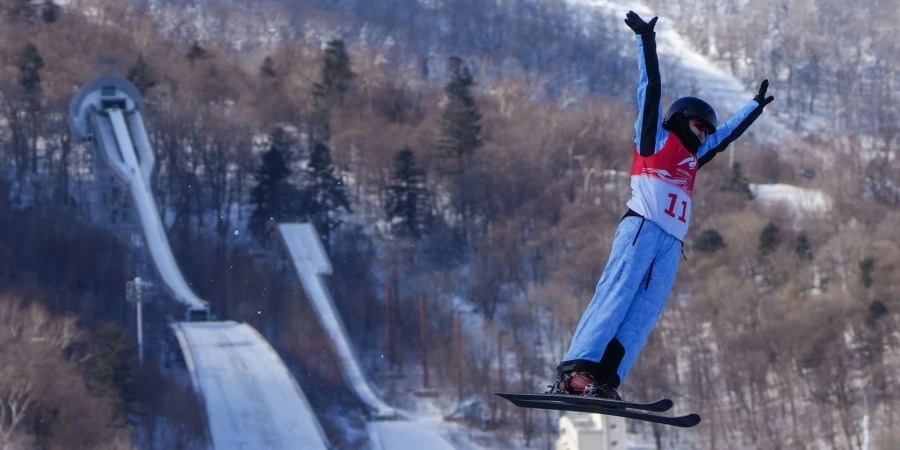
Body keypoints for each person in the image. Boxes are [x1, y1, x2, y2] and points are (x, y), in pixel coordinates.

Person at [549, 10, 775, 400]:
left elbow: (724, 138)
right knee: (617, 293)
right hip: (641, 229)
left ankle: (604, 379)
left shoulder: (693, 159)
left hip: (670, 245)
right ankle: (575, 371)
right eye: (698, 125)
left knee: (644, 313)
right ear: (680, 119)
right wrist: (646, 41)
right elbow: (650, 89)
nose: (703, 133)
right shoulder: (655, 139)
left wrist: (753, 108)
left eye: (705, 129)